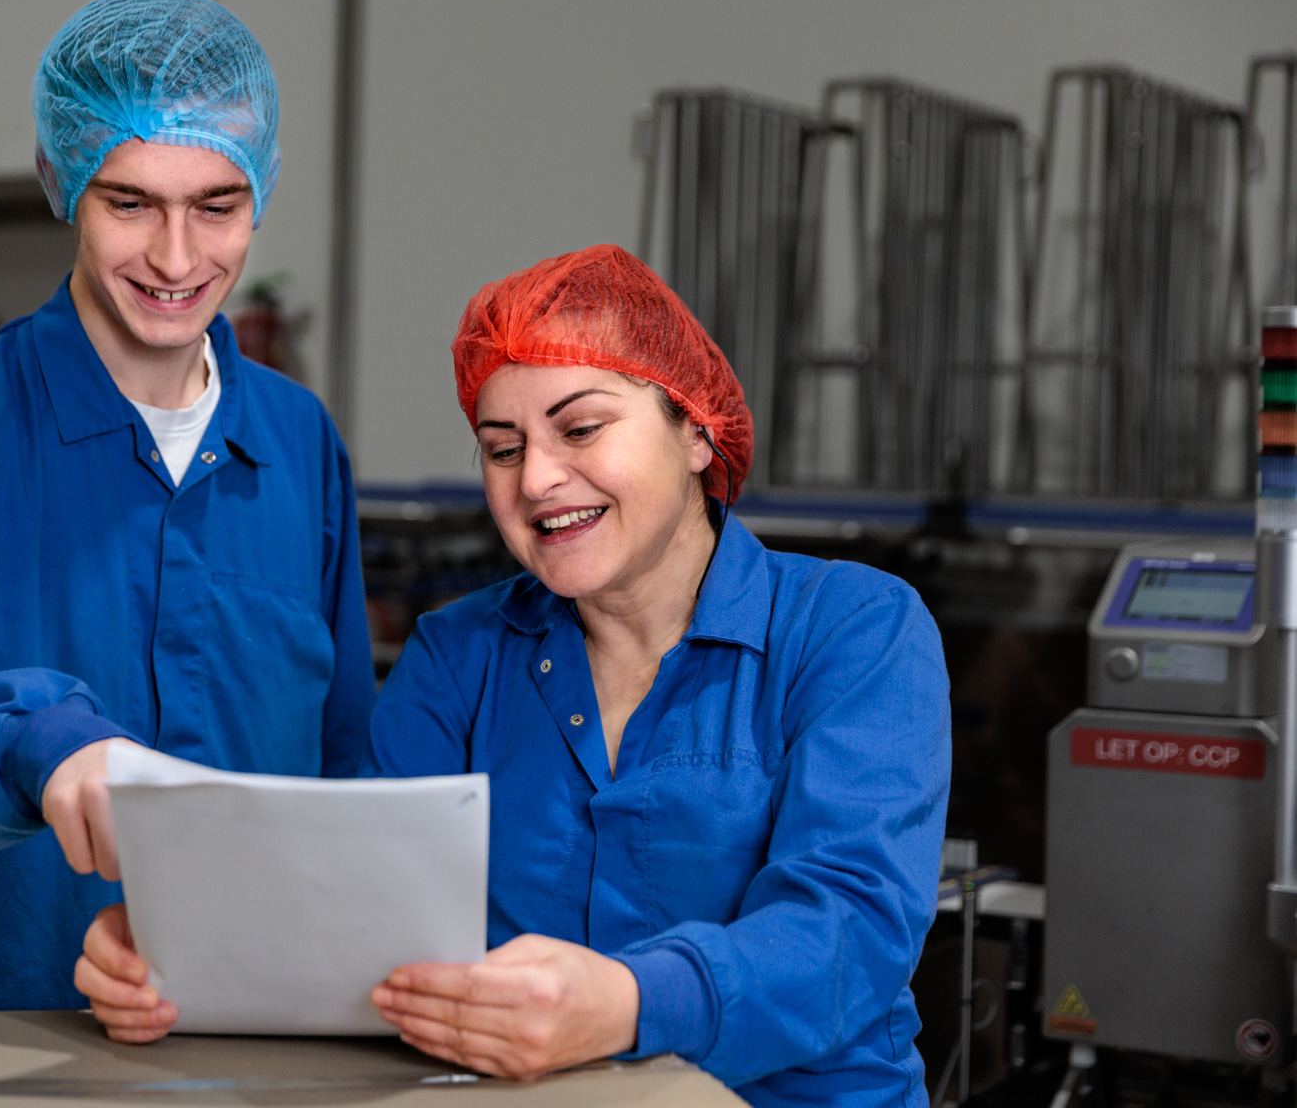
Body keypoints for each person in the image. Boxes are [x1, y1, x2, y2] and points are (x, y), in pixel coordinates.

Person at [81, 244, 950, 1104]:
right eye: (502, 449)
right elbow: (359, 907)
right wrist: (186, 950)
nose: (536, 479)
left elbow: (849, 926)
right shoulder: (458, 655)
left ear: (694, 429)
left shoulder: (851, 630)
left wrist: (625, 1005)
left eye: (580, 429)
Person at [0, 0, 375, 1014]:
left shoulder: (298, 441)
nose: (176, 258)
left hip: (255, 1023)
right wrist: (43, 743)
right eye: (130, 203)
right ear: (61, 182)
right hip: (7, 1022)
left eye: (216, 207)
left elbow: (343, 747)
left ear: (260, 193)